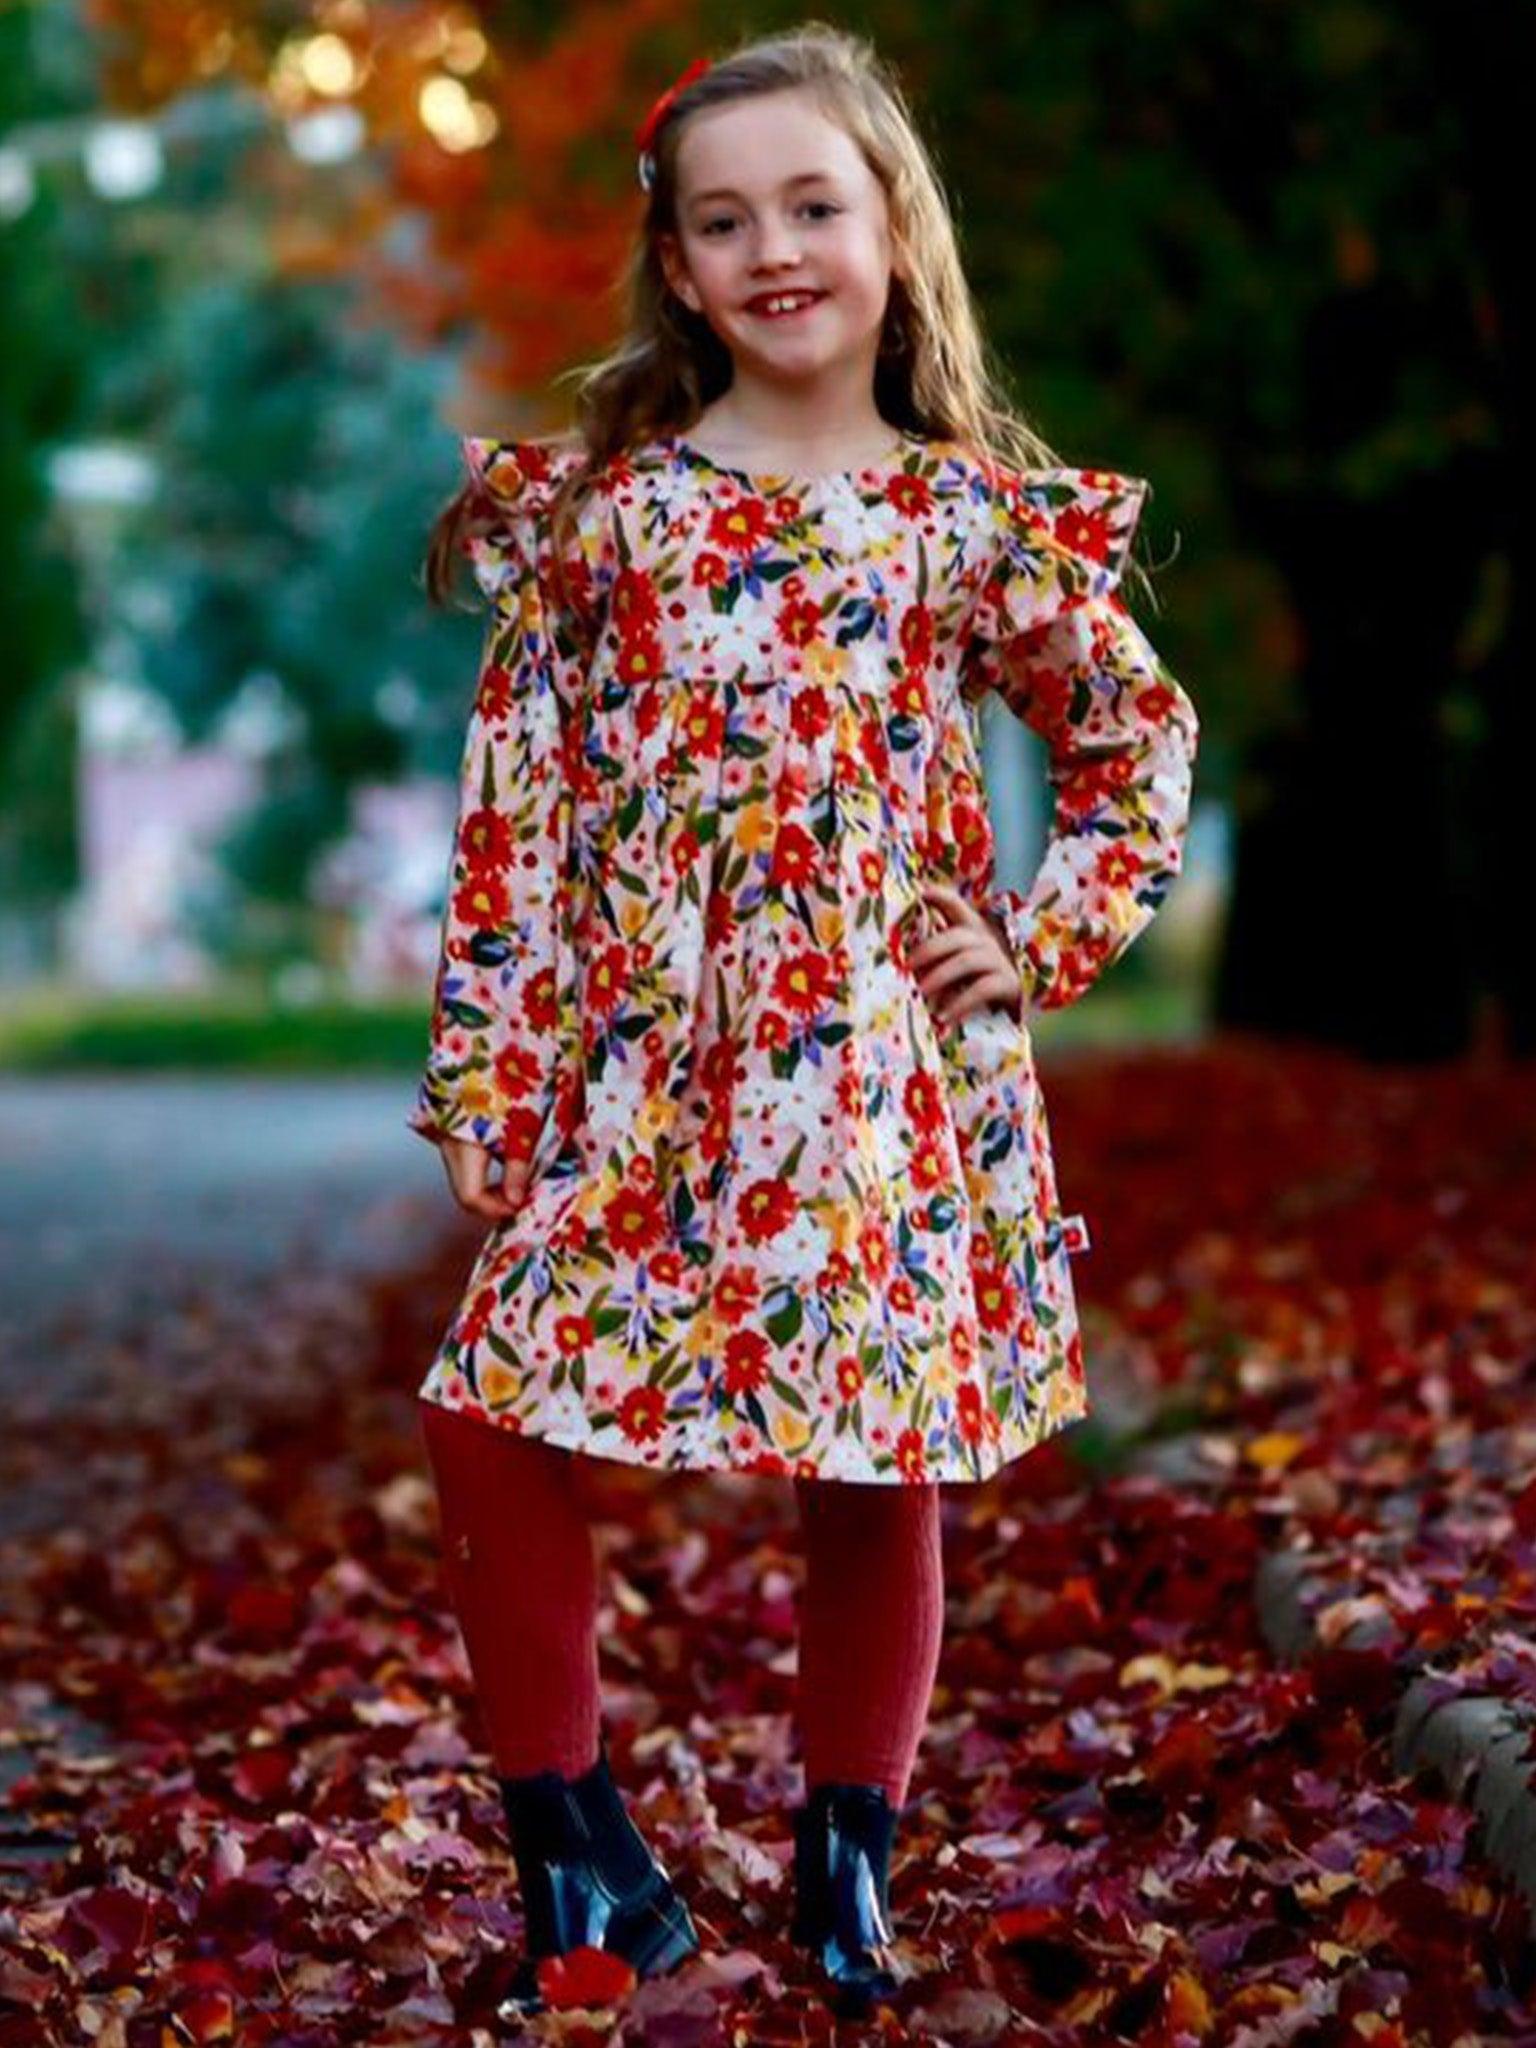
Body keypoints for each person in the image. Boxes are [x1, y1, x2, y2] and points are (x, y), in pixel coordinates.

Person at [408, 20, 1200, 2024]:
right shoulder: (611, 521)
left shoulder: (965, 524)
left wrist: (1042, 931)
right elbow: (520, 810)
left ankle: (846, 1865)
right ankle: (573, 1839)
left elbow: (1132, 740)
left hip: (874, 1074)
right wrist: (494, 1075)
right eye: (726, 218)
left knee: (876, 1464)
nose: (776, 250)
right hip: (649, 1075)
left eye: (815, 206)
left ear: (892, 233)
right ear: (675, 265)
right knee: (486, 1410)